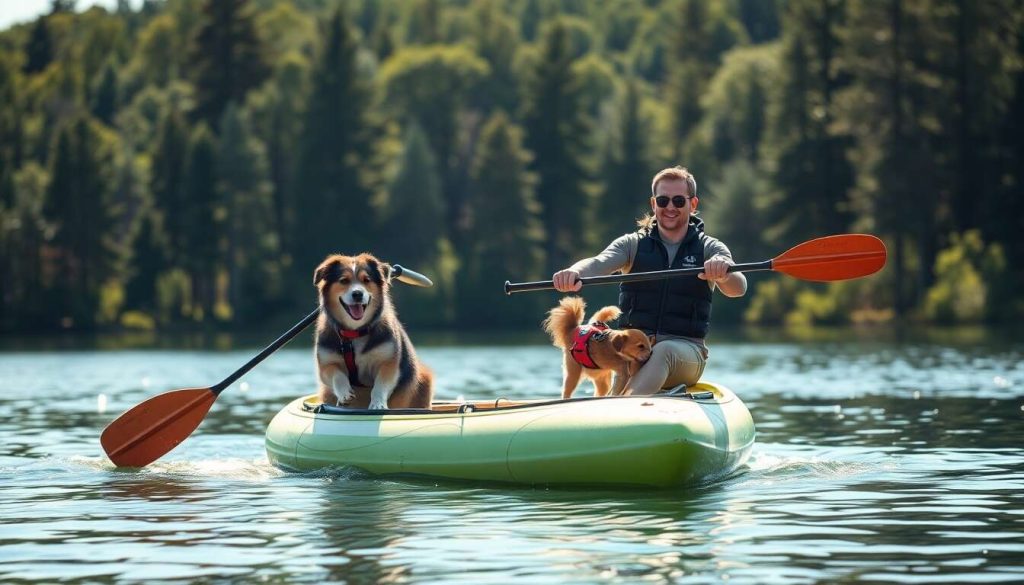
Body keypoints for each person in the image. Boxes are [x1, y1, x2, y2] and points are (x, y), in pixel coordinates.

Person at [551, 166, 746, 395]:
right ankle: (612, 412)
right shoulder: (631, 245)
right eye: (663, 201)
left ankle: (624, 408)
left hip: (686, 354)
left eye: (678, 201)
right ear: (654, 204)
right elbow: (597, 263)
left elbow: (738, 287)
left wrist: (723, 272)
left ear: (693, 204)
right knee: (632, 361)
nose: (670, 207)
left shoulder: (710, 248)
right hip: (633, 355)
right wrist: (574, 272)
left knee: (663, 351)